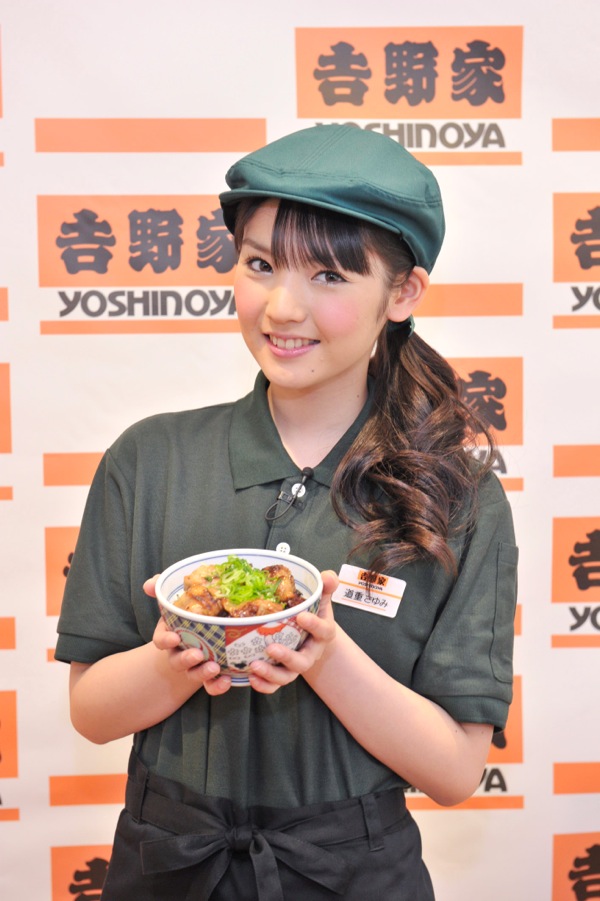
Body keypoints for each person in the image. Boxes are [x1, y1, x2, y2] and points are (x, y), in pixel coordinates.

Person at [56, 124, 518, 900]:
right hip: (168, 866)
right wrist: (177, 656)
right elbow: (91, 712)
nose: (282, 306)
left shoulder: (458, 496)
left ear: (402, 292)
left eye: (330, 274)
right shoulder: (149, 459)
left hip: (353, 874)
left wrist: (324, 655)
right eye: (260, 263)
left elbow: (455, 770)